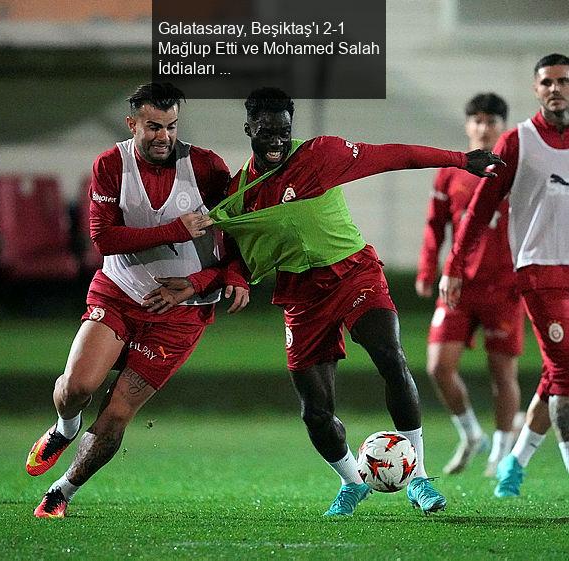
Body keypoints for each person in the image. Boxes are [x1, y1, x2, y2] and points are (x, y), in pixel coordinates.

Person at [146, 87, 503, 516]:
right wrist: (207, 281)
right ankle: (352, 482)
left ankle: (420, 477)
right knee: (315, 411)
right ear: (249, 130)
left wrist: (462, 159)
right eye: (266, 132)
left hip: (353, 273)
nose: (277, 140)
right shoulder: (240, 195)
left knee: (392, 357)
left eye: (283, 131)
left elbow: (394, 155)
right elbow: (239, 255)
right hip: (302, 297)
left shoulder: (321, 154)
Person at [25, 82, 249, 518]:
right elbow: (103, 237)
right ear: (133, 124)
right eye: (153, 126)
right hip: (121, 291)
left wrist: (234, 275)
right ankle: (63, 428)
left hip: (181, 315)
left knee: (116, 414)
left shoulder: (206, 167)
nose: (163, 136)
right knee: (76, 388)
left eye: (171, 126)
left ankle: (62, 492)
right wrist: (176, 230)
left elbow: (240, 230)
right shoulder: (112, 164)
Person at [440, 53, 569, 497]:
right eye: (548, 82)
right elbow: (479, 212)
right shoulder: (518, 141)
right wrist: (453, 265)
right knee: (566, 375)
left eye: (564, 81)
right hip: (538, 270)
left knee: (557, 373)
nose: (556, 88)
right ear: (536, 89)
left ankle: (514, 462)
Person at [416, 93, 524, 477]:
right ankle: (470, 433)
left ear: (502, 126)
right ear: (467, 125)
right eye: (476, 120)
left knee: (502, 375)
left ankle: (500, 451)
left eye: (491, 121)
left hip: (504, 286)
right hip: (458, 285)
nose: (483, 127)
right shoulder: (450, 171)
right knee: (437, 366)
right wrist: (428, 269)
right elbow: (435, 224)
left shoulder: (518, 169)